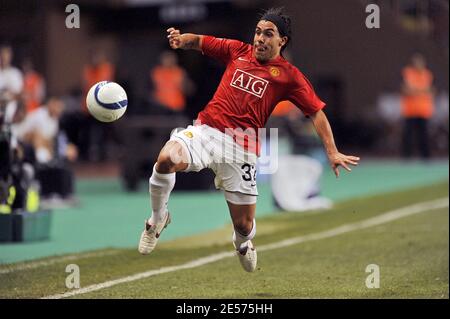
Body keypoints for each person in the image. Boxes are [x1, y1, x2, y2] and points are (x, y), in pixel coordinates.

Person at [138, 8, 360, 272]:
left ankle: (243, 244)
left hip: (242, 147)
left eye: (268, 34)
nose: (260, 39)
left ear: (282, 42)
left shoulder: (289, 76)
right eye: (257, 32)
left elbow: (316, 113)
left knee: (243, 225)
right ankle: (157, 219)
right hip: (207, 131)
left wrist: (332, 152)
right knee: (166, 158)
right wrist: (180, 39)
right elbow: (200, 42)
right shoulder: (237, 51)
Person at [400, 53, 435, 159]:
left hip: (424, 110)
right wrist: (422, 90)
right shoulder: (407, 73)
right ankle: (406, 157)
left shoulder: (428, 74)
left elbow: (432, 90)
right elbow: (405, 90)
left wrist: (414, 89)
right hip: (410, 111)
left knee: (424, 135)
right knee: (408, 135)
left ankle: (426, 157)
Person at [149, 50, 194, 115]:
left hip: (177, 107)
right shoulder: (156, 72)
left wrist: (184, 86)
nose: (168, 61)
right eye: (166, 59)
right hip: (160, 108)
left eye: (171, 59)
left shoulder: (179, 72)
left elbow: (190, 90)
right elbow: (149, 90)